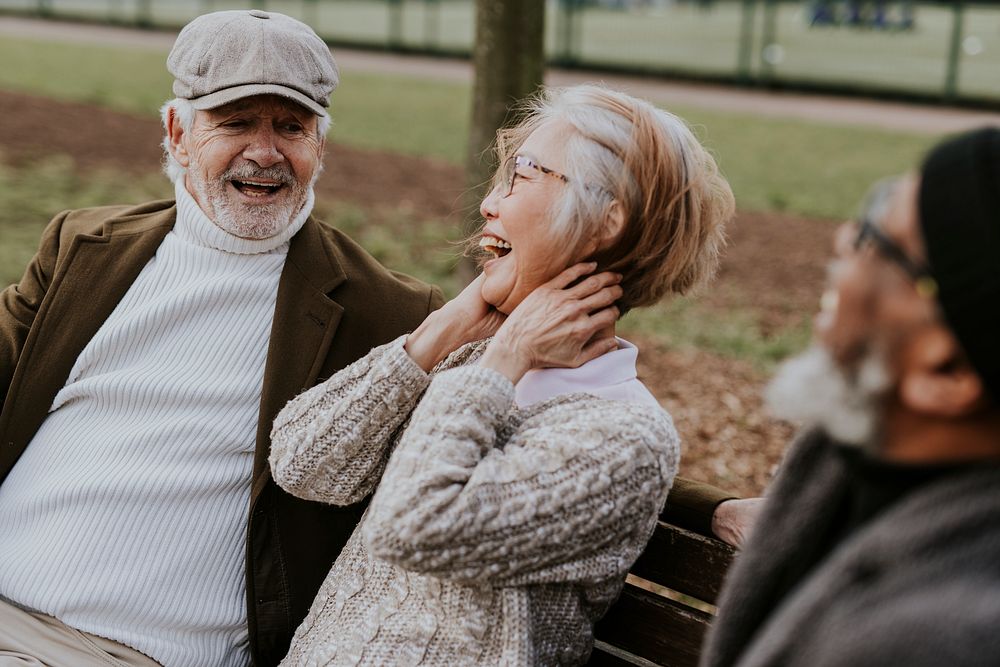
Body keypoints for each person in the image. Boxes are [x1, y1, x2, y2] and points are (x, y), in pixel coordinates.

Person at [0, 10, 441, 667]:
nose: (265, 152)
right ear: (178, 133)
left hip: (117, 650)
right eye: (235, 123)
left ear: (320, 144)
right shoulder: (82, 247)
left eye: (290, 126)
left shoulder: (390, 314)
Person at [268, 83, 735, 666]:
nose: (490, 203)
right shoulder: (467, 359)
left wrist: (505, 359)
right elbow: (304, 464)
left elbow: (412, 527)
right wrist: (443, 330)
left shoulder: (622, 438)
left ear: (606, 221)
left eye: (524, 174)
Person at [701, 127, 1000, 667]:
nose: (843, 239)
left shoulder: (939, 641)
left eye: (877, 242)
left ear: (947, 371)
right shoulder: (852, 456)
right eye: (875, 204)